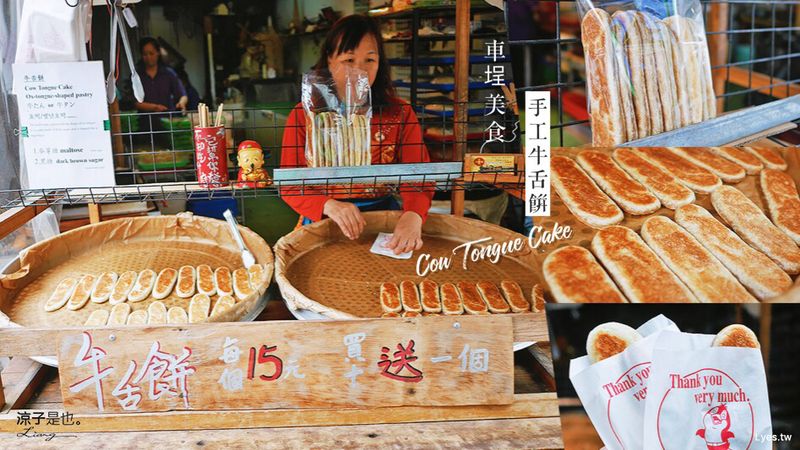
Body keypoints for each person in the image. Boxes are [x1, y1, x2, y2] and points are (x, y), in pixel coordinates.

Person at [280, 15, 433, 255]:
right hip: (325, 218)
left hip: (384, 218)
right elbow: (289, 184)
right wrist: (329, 205)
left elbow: (419, 175)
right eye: (349, 59)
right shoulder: (304, 116)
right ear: (330, 60)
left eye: (370, 60)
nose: (360, 70)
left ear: (380, 63)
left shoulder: (400, 113)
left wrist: (413, 214)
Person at [134, 37, 188, 114]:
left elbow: (183, 95)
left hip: (168, 119)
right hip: (145, 121)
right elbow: (134, 102)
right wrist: (154, 107)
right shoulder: (136, 76)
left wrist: (181, 103)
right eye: (145, 54)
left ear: (158, 53)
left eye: (151, 53)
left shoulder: (169, 73)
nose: (148, 57)